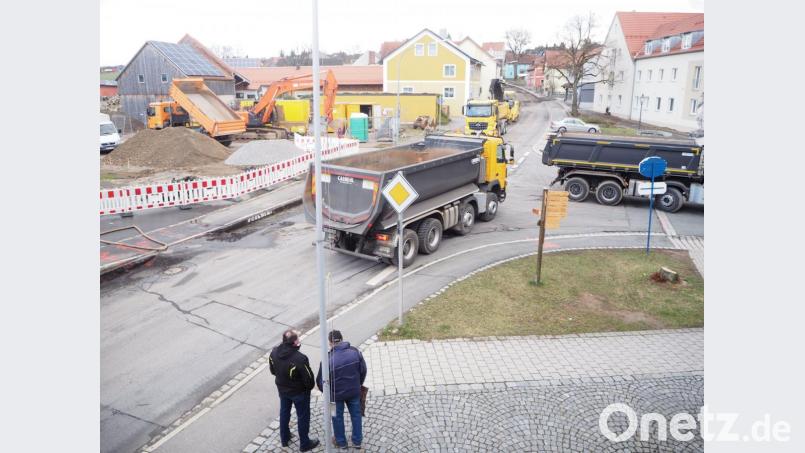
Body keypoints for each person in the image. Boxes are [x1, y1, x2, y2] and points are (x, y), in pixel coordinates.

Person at [269, 329, 320, 452]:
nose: (299, 340)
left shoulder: (274, 352)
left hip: (282, 389)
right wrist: (306, 389)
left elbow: (273, 371)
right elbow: (309, 380)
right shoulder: (300, 358)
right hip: (299, 393)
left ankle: (284, 438)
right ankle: (304, 444)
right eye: (298, 338)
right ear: (294, 343)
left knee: (284, 412)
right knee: (303, 417)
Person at [316, 330, 367, 450]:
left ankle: (341, 442)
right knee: (356, 415)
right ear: (342, 339)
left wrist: (327, 393)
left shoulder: (327, 360)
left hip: (334, 397)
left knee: (335, 417)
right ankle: (357, 441)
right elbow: (363, 371)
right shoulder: (355, 353)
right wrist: (357, 384)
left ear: (330, 343)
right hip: (354, 392)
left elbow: (320, 382)